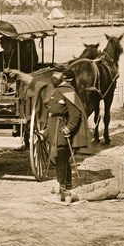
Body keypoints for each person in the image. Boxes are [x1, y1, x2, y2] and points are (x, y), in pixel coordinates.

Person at [44, 68, 88, 201]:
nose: (54, 76)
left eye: (58, 74)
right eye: (54, 73)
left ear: (66, 78)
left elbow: (76, 113)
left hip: (61, 126)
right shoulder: (57, 89)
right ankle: (67, 183)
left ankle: (61, 185)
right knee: (61, 156)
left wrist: (69, 128)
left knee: (60, 154)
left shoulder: (68, 91)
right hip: (53, 125)